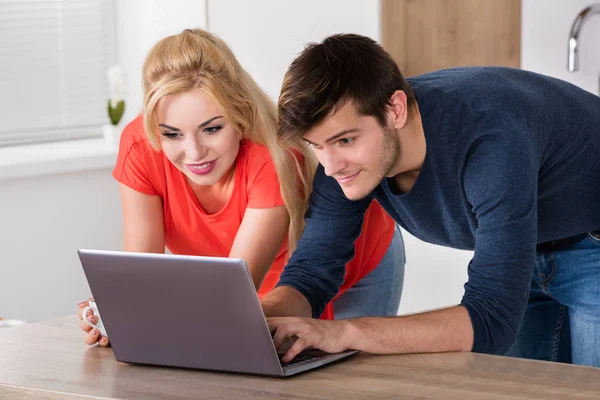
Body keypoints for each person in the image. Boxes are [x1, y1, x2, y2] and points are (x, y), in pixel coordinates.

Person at [263, 33, 600, 367]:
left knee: (587, 388)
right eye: (316, 146)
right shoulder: (343, 156)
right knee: (525, 389)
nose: (331, 166)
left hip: (594, 241)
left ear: (395, 110)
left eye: (345, 141)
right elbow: (311, 274)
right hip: (529, 244)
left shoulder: (491, 141)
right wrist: (254, 318)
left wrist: (346, 333)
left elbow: (490, 320)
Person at [77, 29, 405, 347]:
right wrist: (117, 313)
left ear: (240, 116)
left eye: (212, 128)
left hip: (348, 261)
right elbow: (142, 277)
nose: (194, 153)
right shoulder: (141, 144)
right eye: (172, 134)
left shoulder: (274, 157)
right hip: (239, 291)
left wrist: (146, 314)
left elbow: (228, 297)